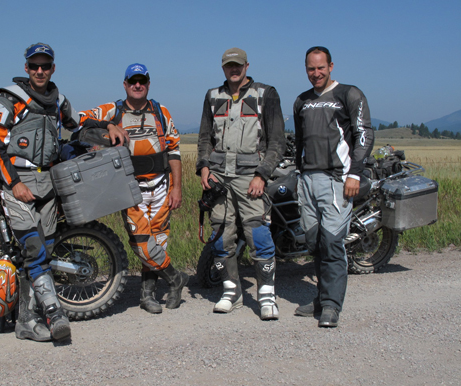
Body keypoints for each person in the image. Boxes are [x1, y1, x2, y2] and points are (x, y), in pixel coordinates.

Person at [0, 42, 80, 341]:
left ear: (53, 68)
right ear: (26, 68)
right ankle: (54, 313)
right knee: (34, 249)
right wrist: (15, 183)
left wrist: (107, 127)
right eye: (34, 65)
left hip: (48, 185)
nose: (40, 70)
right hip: (19, 183)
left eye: (45, 65)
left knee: (44, 251)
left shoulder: (59, 101)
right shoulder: (9, 99)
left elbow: (76, 124)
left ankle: (26, 320)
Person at [79, 63, 188, 314]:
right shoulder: (113, 110)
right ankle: (175, 278)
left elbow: (174, 151)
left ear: (148, 84)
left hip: (162, 184)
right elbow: (80, 118)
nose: (137, 85)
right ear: (125, 84)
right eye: (132, 81)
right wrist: (108, 126)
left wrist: (178, 188)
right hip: (129, 186)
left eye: (142, 80)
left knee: (158, 240)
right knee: (140, 240)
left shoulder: (161, 112)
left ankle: (147, 294)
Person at [196, 48, 286, 320]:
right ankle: (231, 292)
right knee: (221, 235)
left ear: (247, 66)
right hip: (219, 178)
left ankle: (267, 295)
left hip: (251, 178)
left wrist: (262, 174)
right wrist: (203, 167)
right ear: (223, 68)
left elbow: (276, 142)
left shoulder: (265, 94)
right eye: (228, 66)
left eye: (238, 65)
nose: (233, 70)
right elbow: (204, 139)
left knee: (257, 234)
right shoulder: (213, 96)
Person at [293, 46, 374, 327]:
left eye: (320, 68)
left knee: (332, 242)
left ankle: (331, 305)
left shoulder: (349, 94)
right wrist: (298, 174)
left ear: (331, 66)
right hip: (307, 181)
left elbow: (364, 133)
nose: (316, 73)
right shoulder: (301, 101)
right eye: (310, 69)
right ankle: (322, 296)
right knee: (315, 243)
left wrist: (355, 173)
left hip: (337, 180)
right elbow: (300, 141)